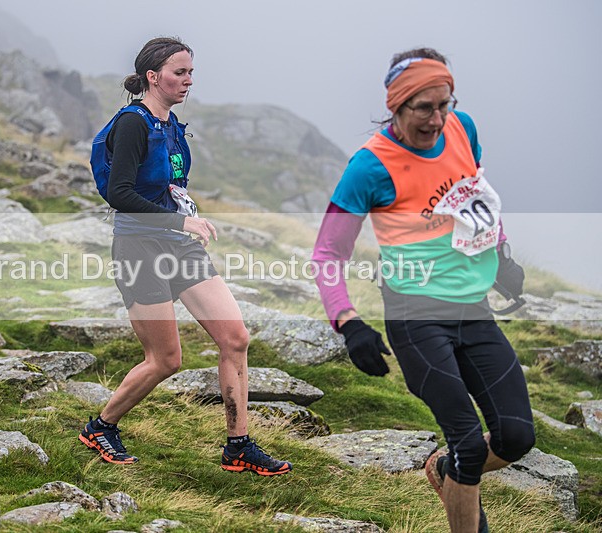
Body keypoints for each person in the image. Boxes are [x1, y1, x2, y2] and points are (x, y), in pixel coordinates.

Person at [313, 48, 534, 531]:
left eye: (445, 104)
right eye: (424, 109)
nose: (437, 119)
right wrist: (349, 324)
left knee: (516, 436)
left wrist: (500, 254)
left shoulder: (463, 128)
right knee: (471, 444)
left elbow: (474, 196)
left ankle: (444, 470)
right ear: (396, 106)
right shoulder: (370, 167)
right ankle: (461, 475)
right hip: (415, 317)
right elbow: (327, 255)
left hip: (473, 308)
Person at [80, 37, 291, 476]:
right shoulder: (133, 123)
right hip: (139, 248)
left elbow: (169, 189)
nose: (188, 80)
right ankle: (101, 426)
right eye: (180, 72)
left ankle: (238, 445)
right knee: (166, 360)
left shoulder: (171, 124)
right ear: (152, 77)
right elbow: (120, 193)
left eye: (191, 72)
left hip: (179, 247)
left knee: (235, 339)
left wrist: (185, 221)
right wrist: (180, 222)